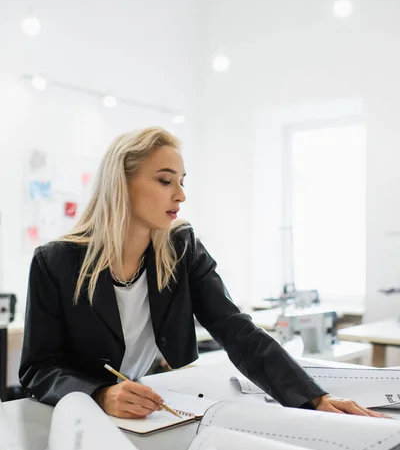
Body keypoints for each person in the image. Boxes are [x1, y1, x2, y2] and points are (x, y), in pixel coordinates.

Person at [20, 128, 383, 419]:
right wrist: (98, 394)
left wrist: (313, 398)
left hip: (141, 411)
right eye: (165, 181)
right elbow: (38, 369)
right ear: (122, 184)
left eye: (182, 181)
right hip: (70, 419)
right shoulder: (56, 262)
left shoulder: (181, 248)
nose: (180, 195)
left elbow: (237, 331)